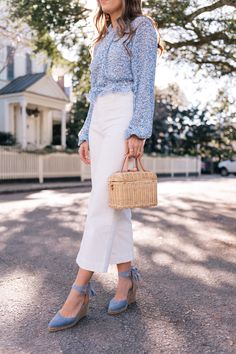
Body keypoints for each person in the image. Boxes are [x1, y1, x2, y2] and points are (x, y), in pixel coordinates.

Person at [48, 0, 163, 332]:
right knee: (115, 203)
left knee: (100, 203)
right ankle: (125, 281)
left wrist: (138, 129)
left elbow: (145, 82)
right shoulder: (101, 38)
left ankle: (79, 289)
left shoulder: (141, 29)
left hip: (124, 113)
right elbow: (94, 93)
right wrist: (85, 132)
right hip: (99, 120)